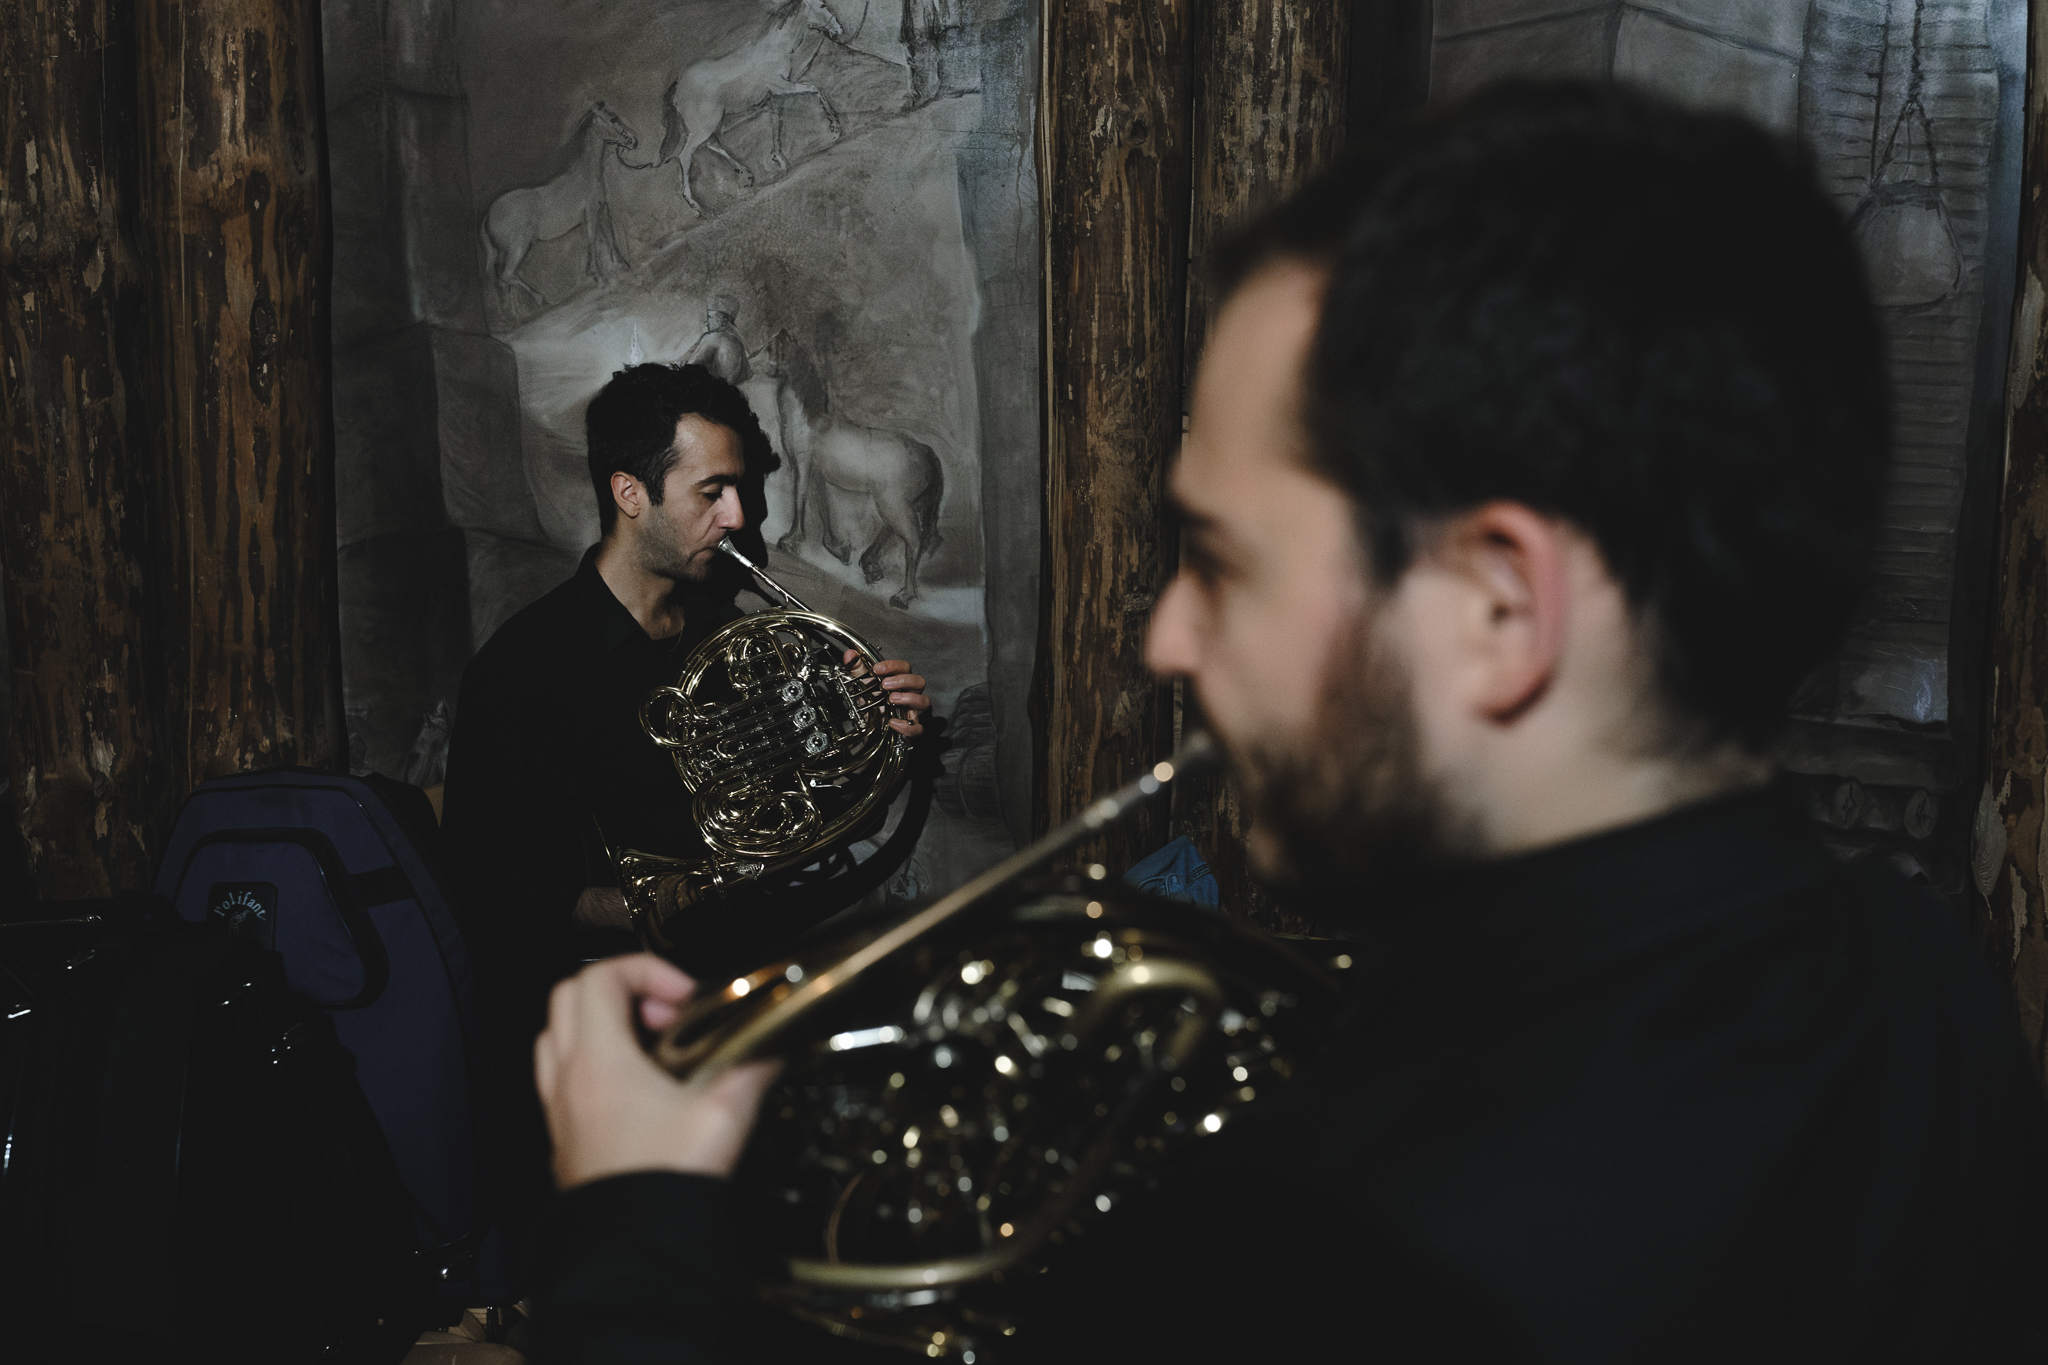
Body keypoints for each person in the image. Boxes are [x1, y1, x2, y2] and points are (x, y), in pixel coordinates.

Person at [520, 85, 2048, 1361]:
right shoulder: (1926, 985)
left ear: (1499, 608)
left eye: (1225, 560)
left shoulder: (1320, 1250)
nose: (1168, 636)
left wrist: (638, 1244)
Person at [439, 363, 930, 1151]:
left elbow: (799, 812)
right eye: (712, 492)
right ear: (630, 493)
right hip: (613, 1041)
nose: (739, 517)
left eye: (740, 489)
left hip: (748, 996)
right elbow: (478, 878)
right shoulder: (519, 669)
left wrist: (875, 735)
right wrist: (632, 906)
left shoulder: (727, 635)